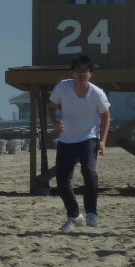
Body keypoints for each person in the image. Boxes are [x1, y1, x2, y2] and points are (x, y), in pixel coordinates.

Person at [48, 55, 112, 232]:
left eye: (85, 71)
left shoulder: (97, 93)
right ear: (73, 73)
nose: (81, 74)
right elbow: (52, 107)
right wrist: (54, 122)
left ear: (91, 74)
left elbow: (106, 116)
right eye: (78, 70)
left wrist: (103, 140)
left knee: (89, 171)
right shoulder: (63, 87)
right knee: (62, 180)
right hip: (67, 139)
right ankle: (75, 215)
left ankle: (92, 212)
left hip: (88, 138)